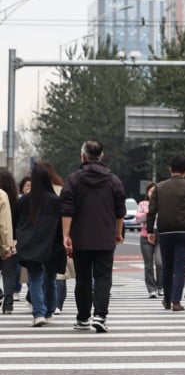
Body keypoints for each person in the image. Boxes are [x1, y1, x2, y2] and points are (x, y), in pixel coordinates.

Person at [60, 139, 127, 333]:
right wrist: (117, 233)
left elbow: (67, 209)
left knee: (83, 278)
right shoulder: (114, 180)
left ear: (83, 156)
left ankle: (82, 319)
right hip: (105, 238)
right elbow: (119, 210)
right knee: (103, 277)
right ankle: (100, 316)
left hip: (80, 238)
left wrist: (66, 235)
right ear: (101, 156)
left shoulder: (73, 179)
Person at [146, 155, 185, 311]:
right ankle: (176, 302)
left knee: (167, 266)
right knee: (180, 268)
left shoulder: (159, 187)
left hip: (165, 231)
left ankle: (166, 299)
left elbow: (151, 211)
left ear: (170, 169)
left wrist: (150, 230)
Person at [15, 164, 66, 326]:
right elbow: (61, 224)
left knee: (35, 279)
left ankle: (39, 313)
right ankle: (50, 311)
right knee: (50, 279)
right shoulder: (56, 201)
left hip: (31, 246)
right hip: (52, 245)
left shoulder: (24, 200)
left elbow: (16, 222)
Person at [36, 161, 72, 315]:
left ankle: (43, 306)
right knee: (58, 273)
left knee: (39, 275)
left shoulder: (35, 194)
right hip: (58, 236)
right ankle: (55, 305)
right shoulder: (62, 190)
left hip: (41, 238)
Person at [136, 182, 163, 299]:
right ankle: (152, 289)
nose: (152, 193)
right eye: (150, 191)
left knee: (160, 263)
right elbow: (137, 219)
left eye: (154, 191)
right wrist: (149, 212)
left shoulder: (163, 204)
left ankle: (161, 287)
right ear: (147, 193)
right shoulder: (142, 204)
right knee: (148, 265)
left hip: (160, 235)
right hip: (145, 235)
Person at [0, 169, 18, 314]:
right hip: (10, 239)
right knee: (9, 272)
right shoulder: (13, 200)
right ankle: (8, 302)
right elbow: (5, 224)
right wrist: (7, 245)